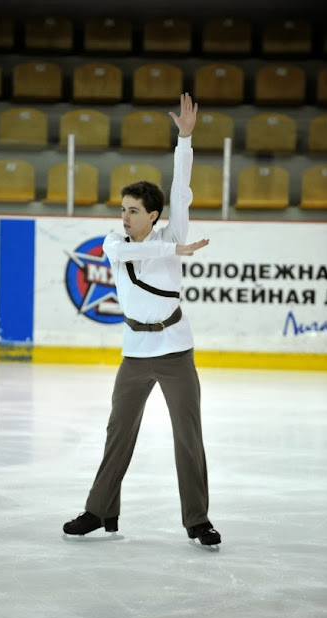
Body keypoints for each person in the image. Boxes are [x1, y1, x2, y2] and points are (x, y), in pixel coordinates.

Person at [63, 93, 221, 547]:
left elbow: (182, 191)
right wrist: (173, 250)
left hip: (174, 350)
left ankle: (197, 520)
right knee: (118, 433)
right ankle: (98, 511)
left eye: (134, 210)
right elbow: (130, 251)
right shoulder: (117, 242)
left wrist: (184, 141)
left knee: (187, 436)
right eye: (123, 209)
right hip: (135, 353)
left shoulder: (174, 230)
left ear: (153, 214)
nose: (125, 217)